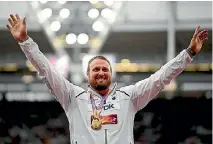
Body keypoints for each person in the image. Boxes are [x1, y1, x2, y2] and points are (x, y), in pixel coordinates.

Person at [6, 14, 208, 144]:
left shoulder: (129, 96)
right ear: (88, 75)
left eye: (105, 69)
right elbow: (45, 70)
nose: (101, 72)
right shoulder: (71, 96)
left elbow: (161, 77)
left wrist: (189, 53)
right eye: (96, 69)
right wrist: (25, 41)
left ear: (111, 74)